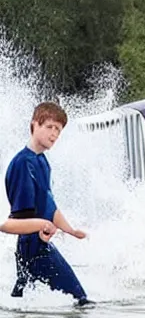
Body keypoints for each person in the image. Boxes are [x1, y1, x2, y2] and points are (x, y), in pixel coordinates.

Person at [1, 102, 92, 306]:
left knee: (24, 304)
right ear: (35, 125)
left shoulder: (42, 161)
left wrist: (70, 230)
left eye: (58, 130)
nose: (54, 134)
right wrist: (43, 225)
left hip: (39, 244)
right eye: (50, 127)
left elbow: (49, 206)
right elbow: (15, 221)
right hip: (32, 247)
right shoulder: (23, 164)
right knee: (80, 302)